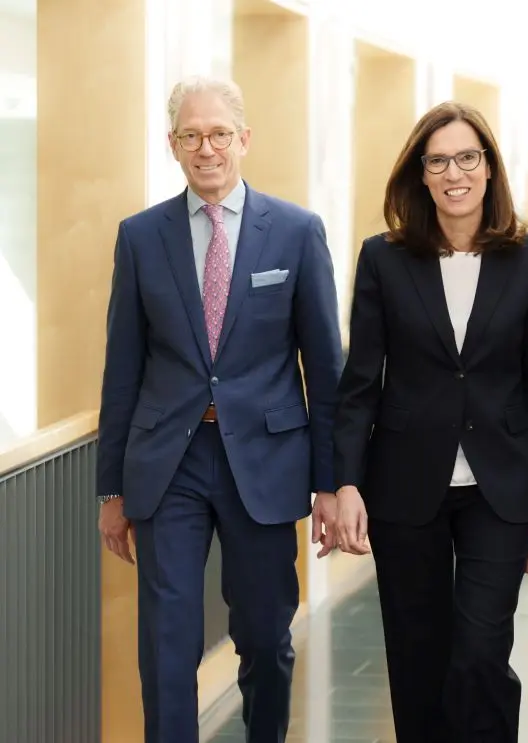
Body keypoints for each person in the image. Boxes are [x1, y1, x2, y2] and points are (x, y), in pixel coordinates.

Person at [95, 76, 343, 743]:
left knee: (264, 632)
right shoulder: (141, 237)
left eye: (219, 133)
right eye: (190, 135)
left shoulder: (295, 233)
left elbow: (325, 370)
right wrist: (111, 487)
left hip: (262, 462)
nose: (206, 148)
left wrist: (330, 481)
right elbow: (123, 369)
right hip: (167, 463)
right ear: (173, 145)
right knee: (167, 638)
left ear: (244, 139)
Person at [332, 101, 528, 743]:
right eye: (438, 161)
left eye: (467, 157)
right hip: (406, 488)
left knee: (481, 653)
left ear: (489, 169)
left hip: (502, 489)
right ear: (422, 175)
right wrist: (347, 482)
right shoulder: (384, 258)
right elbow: (361, 384)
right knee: (417, 658)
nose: (453, 173)